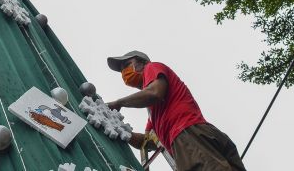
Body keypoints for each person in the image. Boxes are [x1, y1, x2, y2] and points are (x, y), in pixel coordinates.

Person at [105, 50, 246, 171]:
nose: (124, 72)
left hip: (188, 135)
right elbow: (148, 142)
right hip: (198, 135)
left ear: (141, 62)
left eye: (126, 65)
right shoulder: (155, 114)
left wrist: (119, 103)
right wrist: (121, 131)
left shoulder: (152, 67)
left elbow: (154, 93)